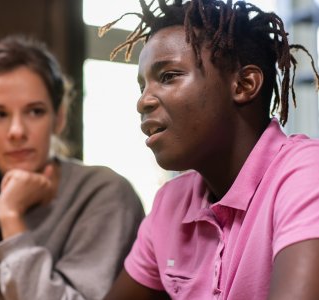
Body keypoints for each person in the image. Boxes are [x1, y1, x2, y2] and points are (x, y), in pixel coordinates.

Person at [99, 0, 319, 299]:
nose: (143, 102)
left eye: (168, 76)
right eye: (143, 87)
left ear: (243, 84)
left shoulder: (305, 173)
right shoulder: (170, 204)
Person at [0, 35, 145, 300]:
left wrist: (11, 217)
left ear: (58, 118)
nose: (17, 131)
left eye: (35, 111)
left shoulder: (105, 193)